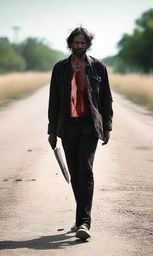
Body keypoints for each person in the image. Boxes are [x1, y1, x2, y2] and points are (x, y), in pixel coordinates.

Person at [48, 27, 113, 240]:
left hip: (89, 126)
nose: (79, 46)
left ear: (88, 44)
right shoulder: (60, 69)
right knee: (75, 173)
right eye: (75, 43)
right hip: (67, 127)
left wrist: (107, 126)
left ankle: (84, 222)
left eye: (82, 43)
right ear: (70, 44)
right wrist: (52, 131)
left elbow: (106, 99)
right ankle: (80, 219)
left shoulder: (98, 68)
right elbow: (54, 101)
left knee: (85, 168)